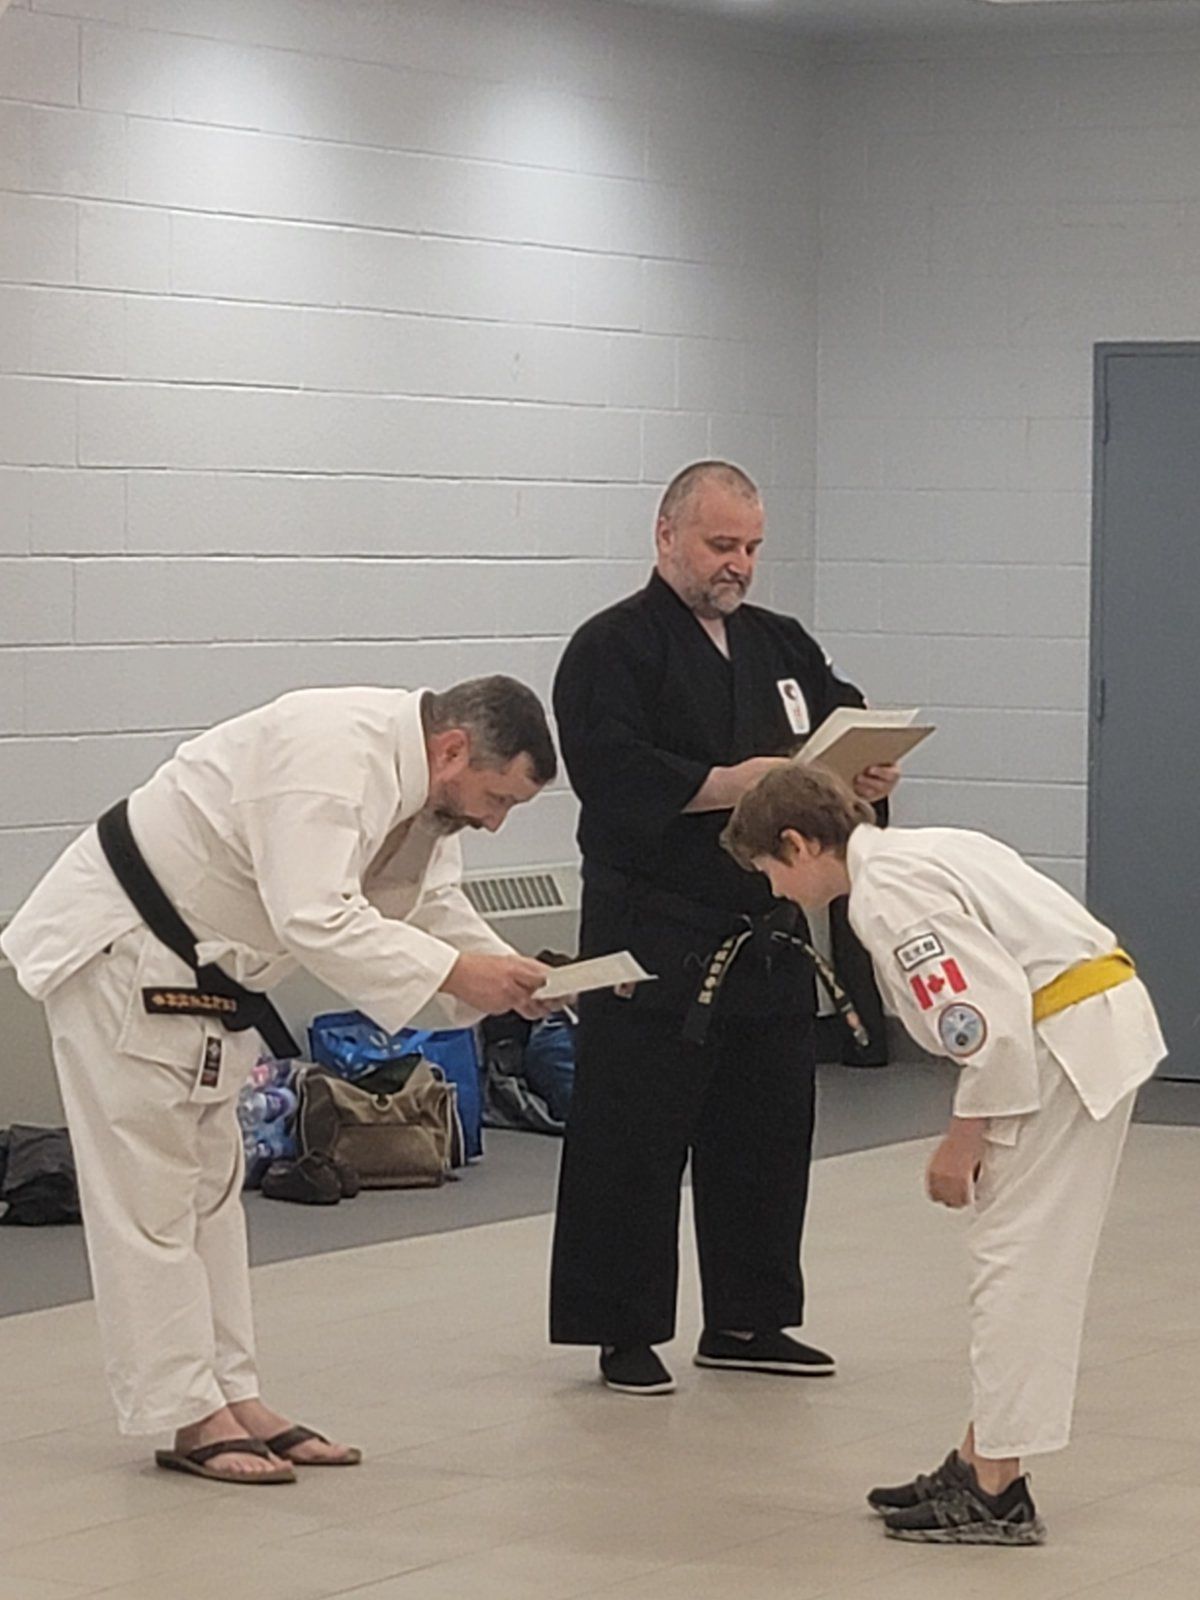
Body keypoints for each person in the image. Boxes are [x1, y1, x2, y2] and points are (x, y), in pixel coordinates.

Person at [1, 678, 557, 1484]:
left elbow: (429, 906)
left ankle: (234, 1394)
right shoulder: (332, 753)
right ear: (452, 750)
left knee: (211, 1193)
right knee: (150, 1200)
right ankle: (187, 1411)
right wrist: (455, 973)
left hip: (203, 973)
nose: (495, 820)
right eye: (498, 798)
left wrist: (512, 974)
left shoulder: (427, 797)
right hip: (125, 954)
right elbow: (314, 914)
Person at [721, 763, 1166, 1545]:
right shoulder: (923, 849)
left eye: (769, 870)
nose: (776, 890)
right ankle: (979, 1459)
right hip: (1085, 1025)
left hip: (1061, 1042)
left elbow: (980, 1014)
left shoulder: (888, 893)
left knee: (1016, 1262)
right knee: (1022, 1257)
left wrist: (964, 1140)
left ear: (798, 843)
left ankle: (995, 1488)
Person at [549, 459, 900, 1395]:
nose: (737, 563)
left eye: (751, 547)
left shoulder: (780, 644)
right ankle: (622, 1330)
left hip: (766, 928)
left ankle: (749, 1319)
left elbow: (840, 726)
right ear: (666, 535)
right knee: (633, 1136)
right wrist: (726, 785)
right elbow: (609, 773)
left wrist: (867, 777)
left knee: (767, 1132)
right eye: (720, 544)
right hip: (651, 927)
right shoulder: (611, 647)